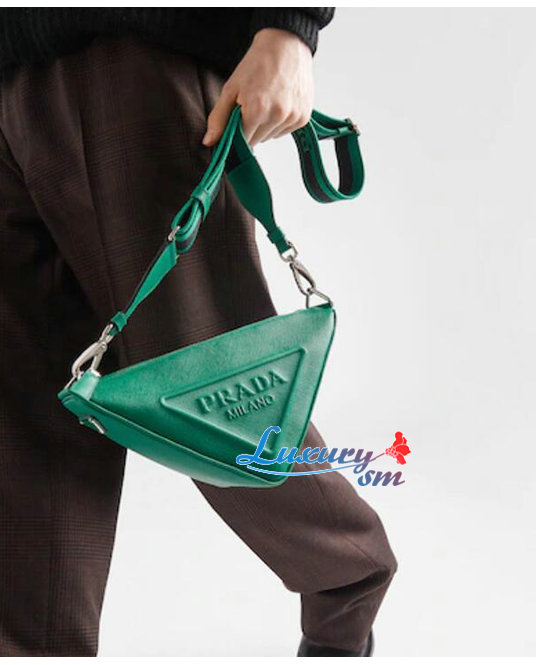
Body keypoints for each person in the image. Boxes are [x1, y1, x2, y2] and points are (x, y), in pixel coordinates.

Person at [0, 8, 397, 657]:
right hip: (10, 65)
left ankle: (344, 567)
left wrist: (291, 27)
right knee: (22, 414)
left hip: (136, 54)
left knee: (204, 377)